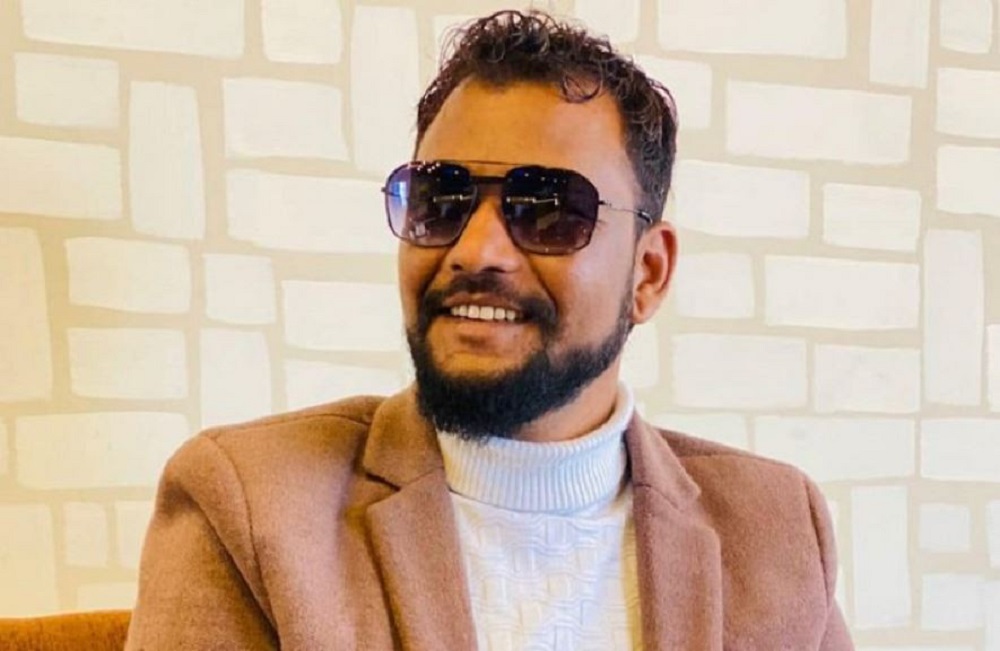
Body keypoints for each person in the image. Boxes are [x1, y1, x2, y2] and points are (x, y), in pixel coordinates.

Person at [126, 10, 853, 651]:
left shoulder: (776, 528)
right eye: (441, 200)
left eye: (549, 209)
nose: (475, 251)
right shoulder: (253, 506)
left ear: (649, 272)